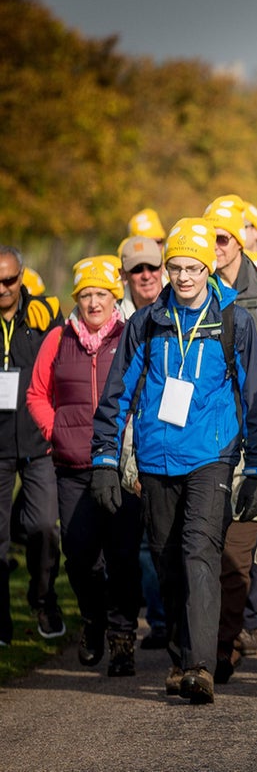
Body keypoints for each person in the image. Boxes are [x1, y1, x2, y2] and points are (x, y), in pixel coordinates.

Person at [91, 218, 257, 704]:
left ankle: (200, 666)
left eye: (193, 267)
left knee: (199, 553)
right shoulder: (146, 323)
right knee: (168, 559)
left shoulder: (236, 320)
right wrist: (106, 459)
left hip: (211, 456)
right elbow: (117, 394)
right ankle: (178, 658)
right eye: (176, 267)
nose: (184, 277)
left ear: (209, 265)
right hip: (154, 456)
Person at [26, 257, 141, 675]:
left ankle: (123, 636)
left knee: (124, 556)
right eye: (86, 295)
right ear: (77, 299)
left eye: (101, 294)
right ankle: (93, 620)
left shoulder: (131, 335)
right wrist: (56, 429)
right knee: (79, 556)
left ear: (115, 297)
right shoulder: (58, 339)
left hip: (120, 464)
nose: (94, 303)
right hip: (72, 465)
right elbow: (37, 393)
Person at [203, 194, 257, 681]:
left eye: (223, 238)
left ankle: (246, 623)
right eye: (210, 237)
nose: (215, 247)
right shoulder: (195, 287)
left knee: (255, 529)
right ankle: (215, 629)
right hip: (209, 426)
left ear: (239, 240)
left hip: (255, 420)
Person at [0, 244, 64, 646]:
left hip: (39, 441)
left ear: (21, 277)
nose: (2, 289)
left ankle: (43, 598)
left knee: (43, 525)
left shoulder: (43, 315)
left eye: (9, 280)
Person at [115, 236, 169, 648]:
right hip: (124, 432)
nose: (147, 276)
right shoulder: (115, 320)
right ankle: (127, 621)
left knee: (159, 536)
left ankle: (165, 619)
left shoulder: (172, 313)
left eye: (153, 267)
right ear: (125, 276)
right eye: (138, 270)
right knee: (125, 539)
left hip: (161, 431)